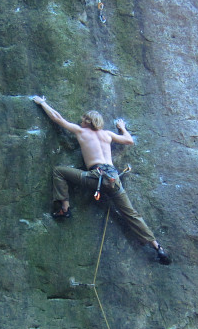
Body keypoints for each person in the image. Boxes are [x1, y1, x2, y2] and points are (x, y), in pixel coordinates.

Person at [32, 95, 171, 265]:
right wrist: (122, 127)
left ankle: (65, 208)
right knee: (131, 214)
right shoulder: (108, 135)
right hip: (113, 179)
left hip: (94, 177)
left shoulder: (81, 131)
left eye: (83, 119)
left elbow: (57, 118)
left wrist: (43, 103)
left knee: (59, 171)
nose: (81, 120)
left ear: (88, 121)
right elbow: (129, 140)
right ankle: (157, 247)